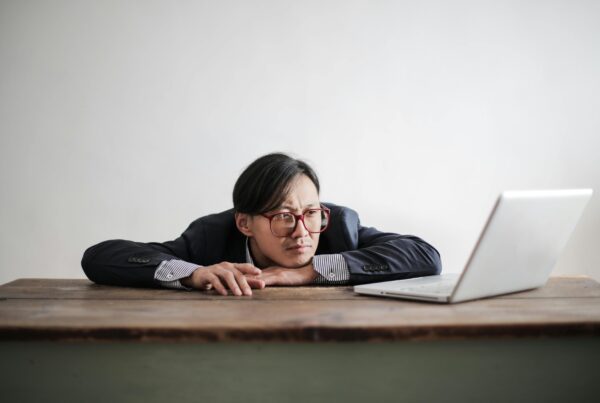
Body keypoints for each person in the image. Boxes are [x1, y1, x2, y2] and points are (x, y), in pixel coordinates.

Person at [81, 153, 442, 296]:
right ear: (245, 223)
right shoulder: (210, 236)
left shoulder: (339, 226)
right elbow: (99, 257)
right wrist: (194, 273)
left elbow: (425, 256)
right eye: (284, 217)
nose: (302, 231)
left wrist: (309, 272)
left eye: (311, 213)